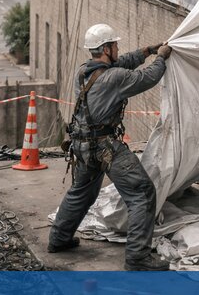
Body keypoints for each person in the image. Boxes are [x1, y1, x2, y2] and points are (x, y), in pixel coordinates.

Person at [48, 23, 173, 271]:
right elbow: (147, 78)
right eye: (114, 45)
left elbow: (122, 63)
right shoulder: (115, 78)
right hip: (105, 147)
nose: (118, 48)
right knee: (142, 193)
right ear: (105, 48)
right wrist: (160, 58)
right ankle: (138, 258)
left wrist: (146, 50)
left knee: (82, 192)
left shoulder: (84, 71)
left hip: (82, 146)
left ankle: (59, 239)